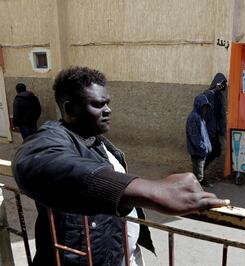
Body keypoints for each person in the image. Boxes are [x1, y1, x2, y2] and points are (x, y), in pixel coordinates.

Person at [12, 67, 229, 266]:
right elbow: (34, 161)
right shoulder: (51, 138)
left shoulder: (101, 144)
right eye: (97, 104)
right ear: (70, 109)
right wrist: (152, 190)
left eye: (107, 103)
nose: (108, 110)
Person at [186, 94, 212, 187]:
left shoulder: (200, 117)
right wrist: (203, 147)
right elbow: (195, 137)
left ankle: (195, 191)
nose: (204, 109)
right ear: (198, 106)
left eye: (205, 107)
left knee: (198, 174)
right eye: (203, 106)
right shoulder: (194, 118)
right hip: (198, 151)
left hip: (200, 151)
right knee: (198, 175)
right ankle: (195, 192)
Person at [203, 73, 227, 169]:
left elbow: (221, 114)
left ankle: (201, 170)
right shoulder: (207, 94)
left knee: (216, 151)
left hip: (215, 129)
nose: (222, 87)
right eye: (220, 84)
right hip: (207, 129)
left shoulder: (220, 97)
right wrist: (214, 90)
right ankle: (200, 174)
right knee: (210, 151)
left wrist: (222, 129)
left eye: (223, 85)